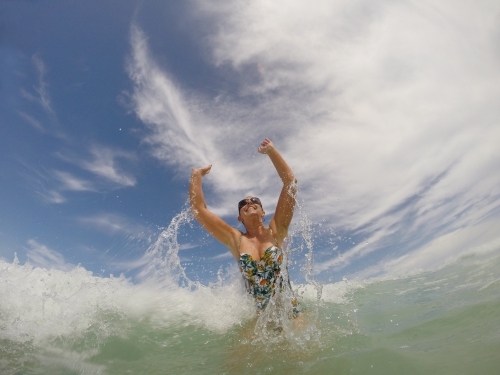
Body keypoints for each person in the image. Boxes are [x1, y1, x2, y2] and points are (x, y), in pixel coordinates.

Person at [189, 138, 301, 318]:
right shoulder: (236, 239)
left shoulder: (276, 230)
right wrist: (197, 176)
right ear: (240, 217)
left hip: (290, 311)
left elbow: (290, 184)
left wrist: (272, 152)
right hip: (258, 319)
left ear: (263, 212)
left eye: (255, 201)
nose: (249, 202)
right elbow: (199, 210)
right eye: (244, 203)